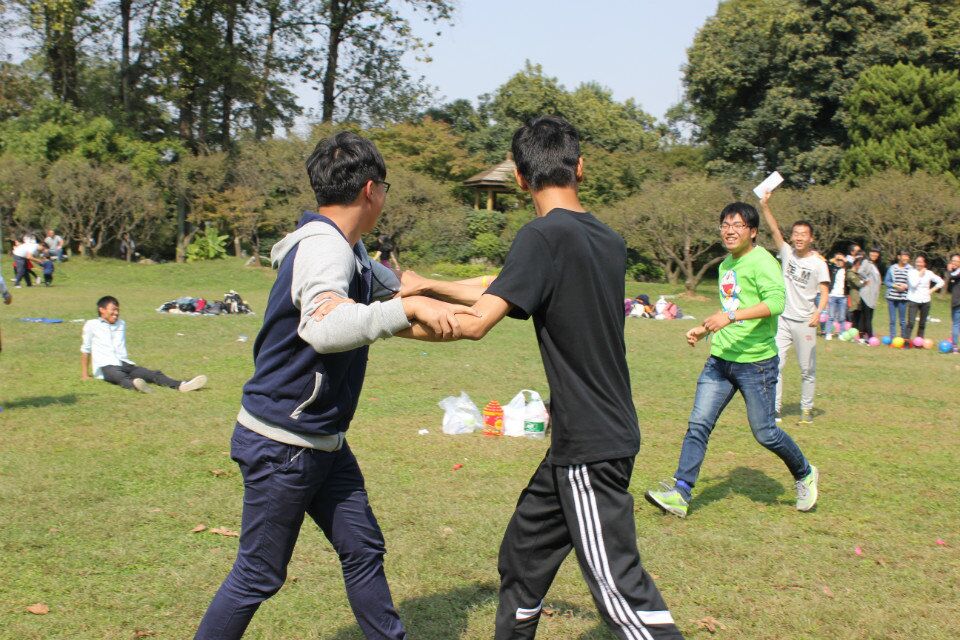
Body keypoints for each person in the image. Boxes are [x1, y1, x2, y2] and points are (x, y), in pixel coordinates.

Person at [397, 116, 684, 640]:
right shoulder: (606, 239)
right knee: (523, 555)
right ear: (580, 167)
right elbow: (506, 283)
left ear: (520, 179)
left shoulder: (541, 236)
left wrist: (378, 323)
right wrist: (428, 284)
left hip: (590, 446)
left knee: (621, 593)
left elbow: (476, 322)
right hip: (588, 436)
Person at [194, 132, 475, 640]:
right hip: (283, 442)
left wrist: (490, 304)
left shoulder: (351, 250)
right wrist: (411, 306)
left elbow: (397, 303)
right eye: (385, 188)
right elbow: (325, 327)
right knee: (258, 574)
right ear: (371, 189)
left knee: (362, 548)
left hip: (322, 440)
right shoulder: (325, 249)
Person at [645, 201, 818, 519]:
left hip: (756, 363)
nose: (729, 230)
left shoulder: (763, 261)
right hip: (720, 360)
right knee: (698, 424)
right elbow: (731, 307)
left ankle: (805, 473)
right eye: (725, 224)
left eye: (738, 225)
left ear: (752, 232)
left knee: (765, 433)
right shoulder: (726, 265)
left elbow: (776, 303)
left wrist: (730, 316)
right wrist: (705, 329)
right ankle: (681, 493)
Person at [758, 191, 829, 426]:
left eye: (803, 234)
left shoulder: (818, 263)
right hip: (783, 320)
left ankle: (806, 409)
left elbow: (824, 291)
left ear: (811, 238)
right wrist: (765, 206)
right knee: (775, 364)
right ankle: (775, 409)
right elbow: (774, 230)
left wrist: (818, 312)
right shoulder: (787, 253)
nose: (798, 237)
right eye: (796, 234)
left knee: (807, 369)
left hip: (806, 322)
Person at [81, 296, 208, 393]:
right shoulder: (92, 325)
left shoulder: (121, 324)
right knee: (119, 377)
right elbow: (86, 349)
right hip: (106, 366)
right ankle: (137, 386)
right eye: (113, 310)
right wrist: (85, 374)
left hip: (125, 363)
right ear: (102, 310)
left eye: (118, 310)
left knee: (153, 374)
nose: (116, 313)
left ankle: (181, 385)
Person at [905, 255, 944, 340]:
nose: (918, 264)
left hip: (925, 301)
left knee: (922, 324)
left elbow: (941, 282)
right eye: (917, 262)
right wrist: (920, 275)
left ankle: (919, 341)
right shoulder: (911, 272)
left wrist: (932, 290)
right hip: (913, 300)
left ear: (924, 263)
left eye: (920, 262)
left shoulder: (929, 273)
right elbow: (913, 284)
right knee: (911, 322)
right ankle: (906, 341)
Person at [884, 250, 912, 338]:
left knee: (902, 320)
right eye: (904, 256)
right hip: (891, 297)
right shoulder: (892, 268)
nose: (906, 258)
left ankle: (903, 338)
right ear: (899, 257)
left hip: (903, 298)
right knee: (892, 320)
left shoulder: (911, 269)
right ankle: (893, 337)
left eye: (907, 256)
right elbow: (886, 281)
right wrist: (895, 286)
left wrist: (906, 286)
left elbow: (913, 282)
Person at [855, 251, 881, 340]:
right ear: (869, 253)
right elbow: (860, 271)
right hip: (866, 293)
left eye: (876, 253)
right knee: (867, 316)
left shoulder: (874, 265)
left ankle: (862, 336)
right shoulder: (866, 262)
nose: (874, 254)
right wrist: (866, 279)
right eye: (873, 252)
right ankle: (870, 337)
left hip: (872, 294)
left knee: (865, 316)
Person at [825, 252, 848, 340]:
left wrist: (844, 259)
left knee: (842, 317)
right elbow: (827, 262)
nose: (840, 261)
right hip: (833, 295)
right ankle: (828, 333)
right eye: (838, 260)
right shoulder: (833, 268)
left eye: (841, 260)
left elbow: (851, 264)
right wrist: (835, 259)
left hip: (842, 296)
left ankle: (841, 334)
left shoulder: (846, 269)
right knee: (831, 316)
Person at [947, 254, 960, 350]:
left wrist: (949, 270)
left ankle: (954, 347)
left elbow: (953, 276)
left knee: (956, 324)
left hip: (958, 302)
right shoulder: (955, 273)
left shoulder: (956, 273)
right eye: (952, 260)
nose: (954, 263)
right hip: (955, 301)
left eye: (956, 261)